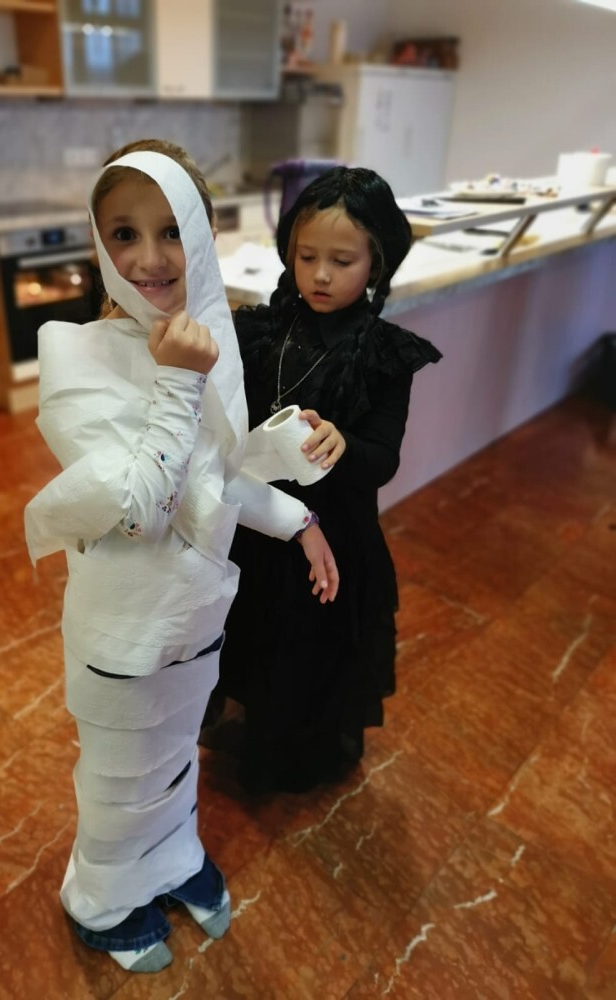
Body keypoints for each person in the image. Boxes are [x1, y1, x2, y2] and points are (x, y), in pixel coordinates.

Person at [23, 139, 338, 974]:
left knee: (171, 763)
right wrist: (178, 382)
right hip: (123, 635)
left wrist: (298, 519)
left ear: (200, 233)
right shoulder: (73, 354)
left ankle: (170, 860)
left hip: (197, 616)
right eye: (124, 234)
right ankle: (100, 900)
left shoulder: (205, 340)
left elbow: (215, 478)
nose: (151, 257)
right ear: (99, 243)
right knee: (120, 780)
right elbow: (137, 512)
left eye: (170, 230)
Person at [212, 165, 442, 795]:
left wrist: (345, 445)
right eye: (306, 256)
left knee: (310, 650)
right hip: (257, 520)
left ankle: (297, 755)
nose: (319, 275)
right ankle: (256, 735)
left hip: (334, 532)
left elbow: (384, 458)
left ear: (377, 262)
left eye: (342, 261)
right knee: (253, 635)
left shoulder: (383, 354)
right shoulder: (259, 330)